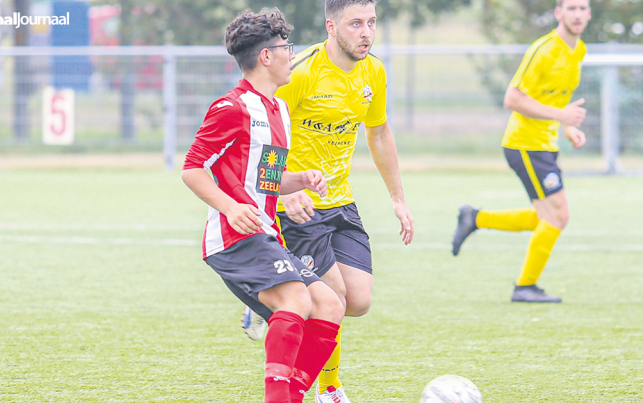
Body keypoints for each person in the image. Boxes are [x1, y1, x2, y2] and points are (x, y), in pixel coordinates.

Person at [241, 1, 415, 401]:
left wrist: (398, 199)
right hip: (298, 206)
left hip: (341, 200)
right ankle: (330, 388)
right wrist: (286, 191)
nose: (366, 32)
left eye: (371, 23)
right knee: (332, 298)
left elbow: (379, 132)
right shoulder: (300, 73)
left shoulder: (374, 71)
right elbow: (265, 136)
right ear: (331, 26)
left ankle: (279, 298)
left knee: (359, 301)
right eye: (356, 24)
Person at [181, 9, 345, 403]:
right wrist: (230, 207)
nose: (292, 54)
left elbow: (266, 180)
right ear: (266, 56)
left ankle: (292, 396)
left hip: (265, 234)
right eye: (286, 47)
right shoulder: (232, 107)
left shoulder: (278, 110)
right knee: (297, 299)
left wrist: (300, 180)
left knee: (329, 305)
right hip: (235, 237)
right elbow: (192, 168)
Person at [451, 0, 591, 303]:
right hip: (525, 144)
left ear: (589, 14)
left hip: (545, 144)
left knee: (549, 216)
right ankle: (525, 286)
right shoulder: (544, 49)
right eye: (572, 8)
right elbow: (512, 99)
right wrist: (562, 117)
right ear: (559, 13)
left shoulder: (578, 50)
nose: (578, 14)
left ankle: (475, 218)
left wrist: (567, 126)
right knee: (558, 216)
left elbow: (556, 100)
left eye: (583, 8)